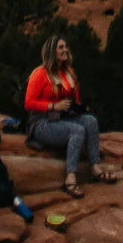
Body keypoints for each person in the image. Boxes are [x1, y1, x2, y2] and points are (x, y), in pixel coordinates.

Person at [21, 38, 105, 190]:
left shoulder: (69, 73)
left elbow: (75, 101)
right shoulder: (40, 74)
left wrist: (79, 106)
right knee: (77, 130)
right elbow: (28, 103)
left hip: (63, 118)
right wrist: (53, 106)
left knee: (90, 121)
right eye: (61, 47)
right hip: (42, 123)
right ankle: (70, 176)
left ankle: (94, 165)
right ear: (52, 51)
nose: (65, 50)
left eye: (66, 47)